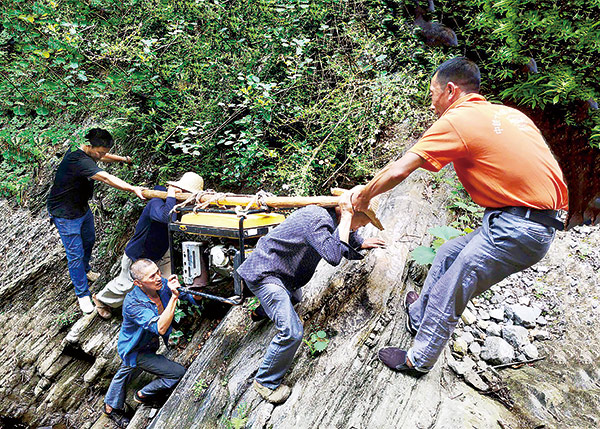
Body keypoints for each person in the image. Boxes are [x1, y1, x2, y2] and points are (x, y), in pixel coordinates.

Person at [352, 57, 568, 376]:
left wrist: (364, 196)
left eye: (432, 94)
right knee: (448, 253)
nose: (431, 104)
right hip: (526, 221)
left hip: (520, 226)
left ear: (450, 91)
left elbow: (401, 168)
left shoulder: (459, 119)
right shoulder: (507, 114)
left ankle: (418, 360)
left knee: (454, 283)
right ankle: (419, 313)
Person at [236, 190, 386, 404]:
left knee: (295, 299)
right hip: (266, 273)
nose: (361, 227)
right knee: (292, 332)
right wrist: (346, 219)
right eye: (362, 222)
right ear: (350, 212)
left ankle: (260, 310)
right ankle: (265, 382)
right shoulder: (316, 218)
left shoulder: (331, 217)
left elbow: (345, 237)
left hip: (285, 278)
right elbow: (334, 255)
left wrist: (359, 243)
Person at [47, 128, 146, 314]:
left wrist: (123, 159)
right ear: (89, 146)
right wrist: (133, 188)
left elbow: (101, 157)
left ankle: (85, 270)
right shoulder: (77, 159)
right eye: (100, 151)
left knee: (89, 240)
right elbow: (105, 177)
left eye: (104, 152)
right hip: (65, 214)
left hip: (81, 208)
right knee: (74, 253)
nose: (102, 155)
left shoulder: (88, 152)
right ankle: (82, 294)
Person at [93, 172, 205, 319]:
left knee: (167, 282)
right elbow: (166, 217)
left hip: (162, 251)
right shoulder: (156, 201)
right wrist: (171, 196)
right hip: (139, 254)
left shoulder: (180, 205)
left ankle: (170, 310)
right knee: (125, 285)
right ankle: (101, 300)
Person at [102, 259, 199, 428]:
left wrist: (196, 288)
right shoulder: (133, 303)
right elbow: (160, 328)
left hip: (148, 345)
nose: (158, 277)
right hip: (134, 348)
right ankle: (141, 395)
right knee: (177, 373)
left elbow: (190, 296)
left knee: (126, 371)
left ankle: (111, 406)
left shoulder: (159, 284)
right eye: (152, 276)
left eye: (158, 272)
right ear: (138, 283)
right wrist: (174, 297)